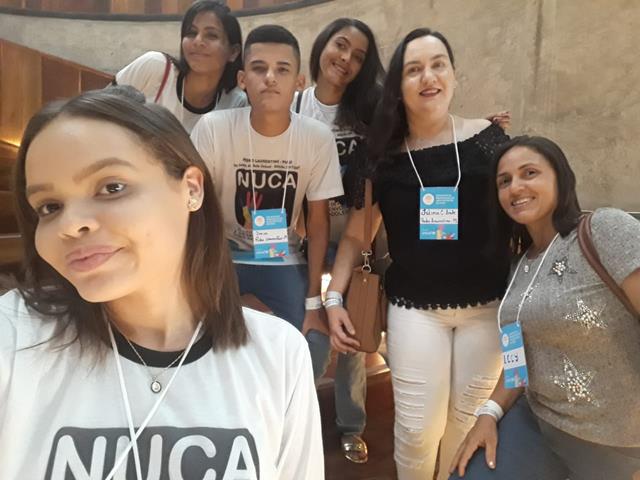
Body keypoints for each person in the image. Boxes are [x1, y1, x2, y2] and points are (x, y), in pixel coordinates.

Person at [0, 88, 323, 479]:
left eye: (111, 187)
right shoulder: (15, 338)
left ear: (191, 189)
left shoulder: (279, 353)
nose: (70, 224)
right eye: (49, 207)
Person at [324, 28, 512, 480]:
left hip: (487, 309)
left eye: (438, 64)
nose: (428, 77)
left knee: (465, 423)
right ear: (398, 86)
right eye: (414, 69)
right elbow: (356, 235)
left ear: (453, 75)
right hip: (415, 309)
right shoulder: (381, 156)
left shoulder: (489, 141)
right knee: (415, 430)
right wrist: (333, 298)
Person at [449, 136, 640, 480]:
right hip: (536, 425)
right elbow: (518, 360)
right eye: (504, 181)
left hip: (618, 443)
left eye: (530, 173)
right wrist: (489, 412)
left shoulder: (603, 229)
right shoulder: (519, 265)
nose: (515, 187)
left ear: (560, 178)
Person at [191, 25, 343, 333]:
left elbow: (318, 223)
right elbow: (191, 208)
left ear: (299, 82)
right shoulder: (213, 128)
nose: (270, 78)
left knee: (312, 341)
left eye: (282, 69)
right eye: (259, 68)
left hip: (282, 257)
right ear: (242, 79)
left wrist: (314, 301)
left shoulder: (316, 138)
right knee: (207, 335)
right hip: (222, 254)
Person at [294, 17, 385, 464]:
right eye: (341, 45)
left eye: (359, 56)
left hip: (355, 237)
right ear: (322, 46)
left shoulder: (368, 113)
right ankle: (296, 419)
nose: (346, 59)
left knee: (351, 333)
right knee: (307, 331)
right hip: (304, 239)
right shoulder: (294, 105)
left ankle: (351, 425)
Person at [114, 0, 246, 132]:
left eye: (211, 35)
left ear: (233, 52)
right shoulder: (155, 66)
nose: (198, 41)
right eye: (191, 33)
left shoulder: (235, 103)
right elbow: (103, 109)